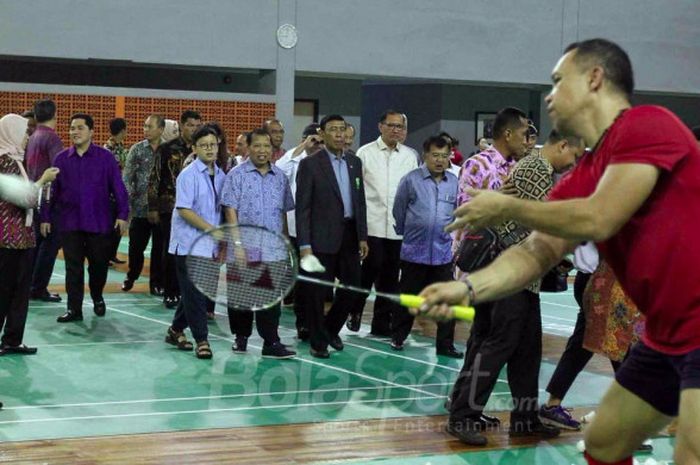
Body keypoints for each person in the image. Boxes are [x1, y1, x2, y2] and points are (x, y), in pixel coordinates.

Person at [418, 38, 700, 465]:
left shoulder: (647, 125)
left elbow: (599, 218)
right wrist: (469, 288)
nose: (549, 96)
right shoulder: (584, 174)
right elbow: (535, 252)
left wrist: (506, 204)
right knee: (604, 444)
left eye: (557, 81)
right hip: (665, 335)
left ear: (594, 78)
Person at [42, 113, 129, 323]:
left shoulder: (105, 158)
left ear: (91, 131)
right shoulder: (61, 158)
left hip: (98, 222)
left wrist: (123, 214)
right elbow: (50, 191)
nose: (75, 132)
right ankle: (74, 309)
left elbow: (118, 188)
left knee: (98, 265)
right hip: (69, 222)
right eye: (72, 128)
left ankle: (97, 295)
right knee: (73, 267)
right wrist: (45, 216)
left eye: (80, 128)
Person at [296, 114, 369, 358]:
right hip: (320, 238)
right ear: (323, 134)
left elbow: (359, 201)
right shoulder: (310, 164)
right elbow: (303, 208)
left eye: (342, 129)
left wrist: (362, 236)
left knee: (354, 287)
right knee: (317, 294)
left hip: (349, 235)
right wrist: (305, 245)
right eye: (333, 130)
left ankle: (329, 330)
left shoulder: (354, 162)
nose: (339, 134)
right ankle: (318, 342)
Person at [220, 128, 296, 359]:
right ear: (248, 148)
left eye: (267, 146)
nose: (262, 151)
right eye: (257, 146)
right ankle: (240, 337)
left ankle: (271, 341)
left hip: (273, 249)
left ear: (272, 150)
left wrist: (284, 241)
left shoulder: (280, 178)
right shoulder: (236, 175)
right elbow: (230, 210)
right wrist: (238, 244)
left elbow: (283, 212)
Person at [390, 135, 462, 357]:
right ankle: (398, 338)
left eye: (444, 156)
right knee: (409, 298)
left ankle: (445, 345)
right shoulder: (411, 180)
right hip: (414, 253)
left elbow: (457, 213)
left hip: (442, 254)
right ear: (425, 156)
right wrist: (409, 233)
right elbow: (398, 211)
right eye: (435, 156)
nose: (440, 160)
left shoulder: (454, 182)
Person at [349, 110, 417, 336]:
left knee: (390, 278)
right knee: (368, 272)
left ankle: (381, 322)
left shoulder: (410, 156)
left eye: (400, 127)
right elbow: (357, 192)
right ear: (381, 126)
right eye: (391, 125)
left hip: (398, 228)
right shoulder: (365, 153)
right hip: (372, 224)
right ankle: (355, 311)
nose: (396, 130)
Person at [0, 114, 58, 356]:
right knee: (4, 293)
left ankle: (13, 340)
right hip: (7, 240)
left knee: (19, 293)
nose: (27, 137)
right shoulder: (5, 162)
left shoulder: (17, 161)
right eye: (25, 132)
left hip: (22, 239)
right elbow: (26, 198)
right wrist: (43, 180)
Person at [164, 125, 225, 359]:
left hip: (209, 246)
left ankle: (176, 329)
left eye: (213, 144)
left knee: (194, 292)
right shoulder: (187, 175)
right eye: (204, 145)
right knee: (196, 293)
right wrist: (211, 230)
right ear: (194, 148)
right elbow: (184, 209)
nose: (209, 149)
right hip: (188, 244)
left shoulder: (222, 176)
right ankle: (202, 339)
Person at [148, 110, 202, 308]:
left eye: (197, 125)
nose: (194, 129)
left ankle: (187, 292)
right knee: (171, 251)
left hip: (196, 210)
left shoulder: (202, 150)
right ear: (181, 126)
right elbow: (154, 178)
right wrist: (152, 207)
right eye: (190, 125)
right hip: (169, 207)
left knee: (193, 252)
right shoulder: (166, 149)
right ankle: (169, 291)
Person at [275, 123, 324, 340]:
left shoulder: (331, 162)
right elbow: (279, 167)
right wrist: (303, 146)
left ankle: (315, 322)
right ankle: (302, 323)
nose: (317, 145)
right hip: (297, 231)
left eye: (321, 141)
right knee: (301, 281)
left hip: (323, 232)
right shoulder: (294, 162)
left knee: (316, 281)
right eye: (313, 140)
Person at [121, 115, 165, 296]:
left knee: (159, 250)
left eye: (149, 126)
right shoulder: (136, 150)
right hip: (139, 209)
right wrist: (126, 205)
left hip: (162, 210)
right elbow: (127, 178)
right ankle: (132, 275)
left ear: (161, 129)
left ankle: (156, 283)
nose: (145, 129)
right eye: (144, 126)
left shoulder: (169, 150)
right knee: (135, 248)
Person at [26, 99, 64, 303]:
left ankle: (31, 284)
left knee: (38, 244)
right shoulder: (52, 138)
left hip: (34, 196)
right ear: (55, 115)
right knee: (49, 245)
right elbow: (57, 172)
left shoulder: (33, 137)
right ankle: (38, 287)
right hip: (48, 199)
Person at [104, 117, 128, 265]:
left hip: (120, 191)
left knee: (118, 226)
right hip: (109, 193)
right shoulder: (108, 148)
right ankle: (105, 255)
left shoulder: (120, 146)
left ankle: (112, 254)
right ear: (123, 130)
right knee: (109, 226)